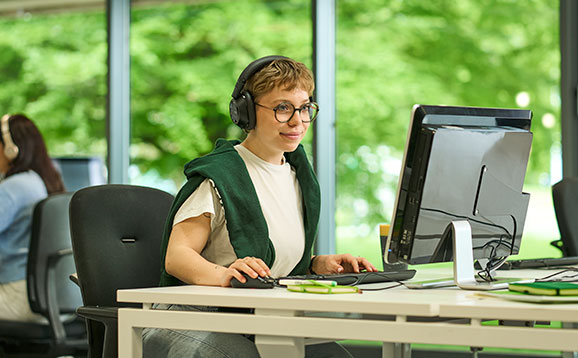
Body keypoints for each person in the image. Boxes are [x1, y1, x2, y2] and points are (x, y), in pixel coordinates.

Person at [143, 56, 377, 357]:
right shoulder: (221, 175)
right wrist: (225, 275)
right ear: (246, 112)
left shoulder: (298, 176)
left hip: (255, 319)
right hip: (191, 317)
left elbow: (272, 261)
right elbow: (176, 258)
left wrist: (316, 264)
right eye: (282, 108)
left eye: (305, 108)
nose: (298, 121)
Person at [0, 113, 65, 321]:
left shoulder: (14, 187)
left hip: (17, 296)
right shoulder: (44, 182)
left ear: (10, 149)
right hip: (52, 299)